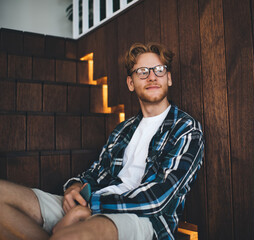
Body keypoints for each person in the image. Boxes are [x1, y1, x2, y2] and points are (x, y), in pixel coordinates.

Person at [0, 42, 204, 240]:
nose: (151, 76)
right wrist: (74, 186)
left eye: (159, 70)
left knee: (73, 236)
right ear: (131, 83)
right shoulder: (123, 129)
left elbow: (157, 199)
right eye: (142, 71)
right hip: (92, 202)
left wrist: (91, 206)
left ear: (168, 78)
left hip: (144, 220)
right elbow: (96, 172)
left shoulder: (186, 128)